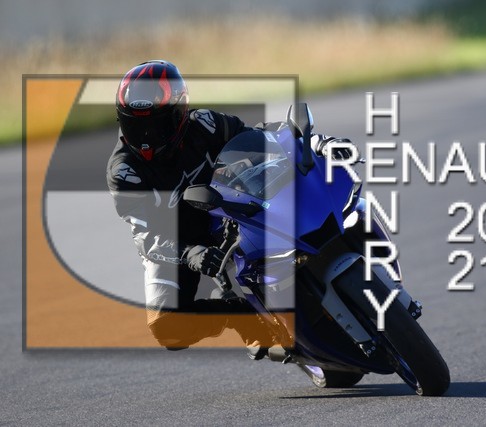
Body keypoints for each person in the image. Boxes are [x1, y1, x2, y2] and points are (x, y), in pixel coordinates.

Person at [107, 59, 355, 356]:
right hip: (176, 240)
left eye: (157, 126)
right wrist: (190, 253)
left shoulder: (205, 124)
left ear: (180, 113)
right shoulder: (124, 172)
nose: (147, 138)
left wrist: (317, 143)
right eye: (136, 126)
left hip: (227, 209)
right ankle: (240, 315)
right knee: (168, 328)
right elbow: (145, 236)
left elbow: (261, 138)